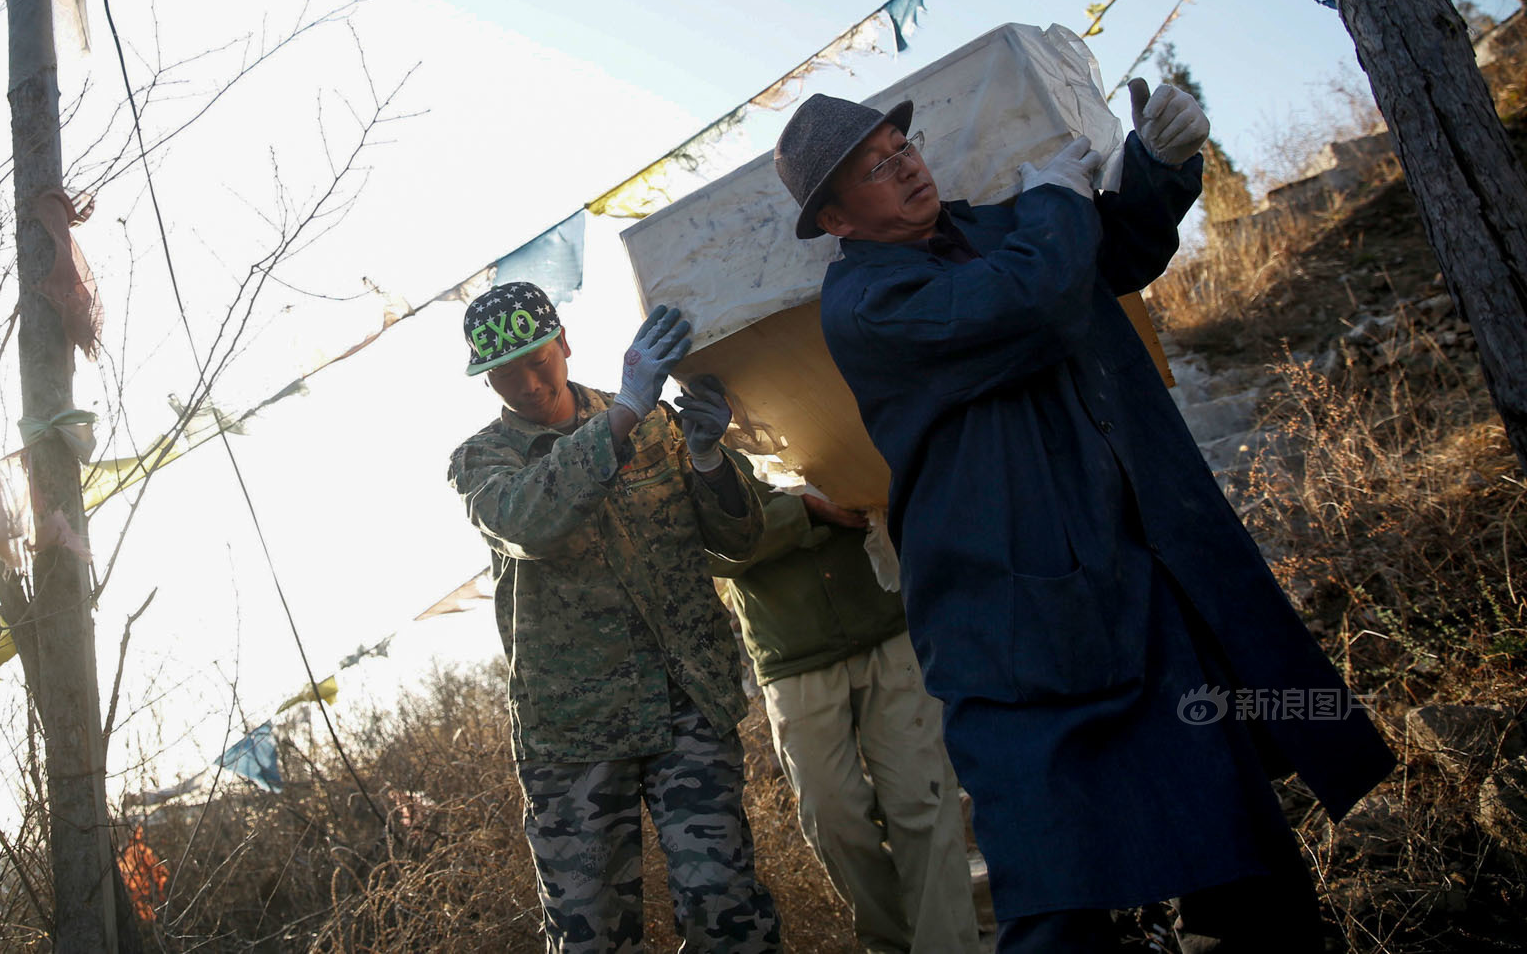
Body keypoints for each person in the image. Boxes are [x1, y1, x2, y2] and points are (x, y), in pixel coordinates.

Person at [771, 88, 1394, 953]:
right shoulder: (867, 304)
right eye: (877, 167)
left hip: (1135, 567)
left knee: (1238, 837)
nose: (908, 166)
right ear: (837, 218)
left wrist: (1156, 165)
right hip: (1012, 618)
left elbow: (1111, 252)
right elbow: (1032, 297)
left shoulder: (1000, 225)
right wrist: (1058, 201)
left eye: (901, 146)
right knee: (1054, 883)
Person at [446, 283, 781, 953]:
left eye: (538, 359)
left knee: (724, 909)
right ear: (486, 380)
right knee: (592, 935)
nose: (529, 382)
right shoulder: (482, 461)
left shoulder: (655, 424)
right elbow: (528, 521)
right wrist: (625, 412)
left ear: (564, 343)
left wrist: (710, 458)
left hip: (684, 701)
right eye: (506, 372)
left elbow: (739, 542)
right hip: (574, 731)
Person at [701, 432, 983, 954]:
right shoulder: (697, 434)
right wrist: (803, 511)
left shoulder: (826, 398)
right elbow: (714, 549)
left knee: (923, 805)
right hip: (791, 649)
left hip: (886, 623)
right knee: (832, 818)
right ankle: (889, 943)